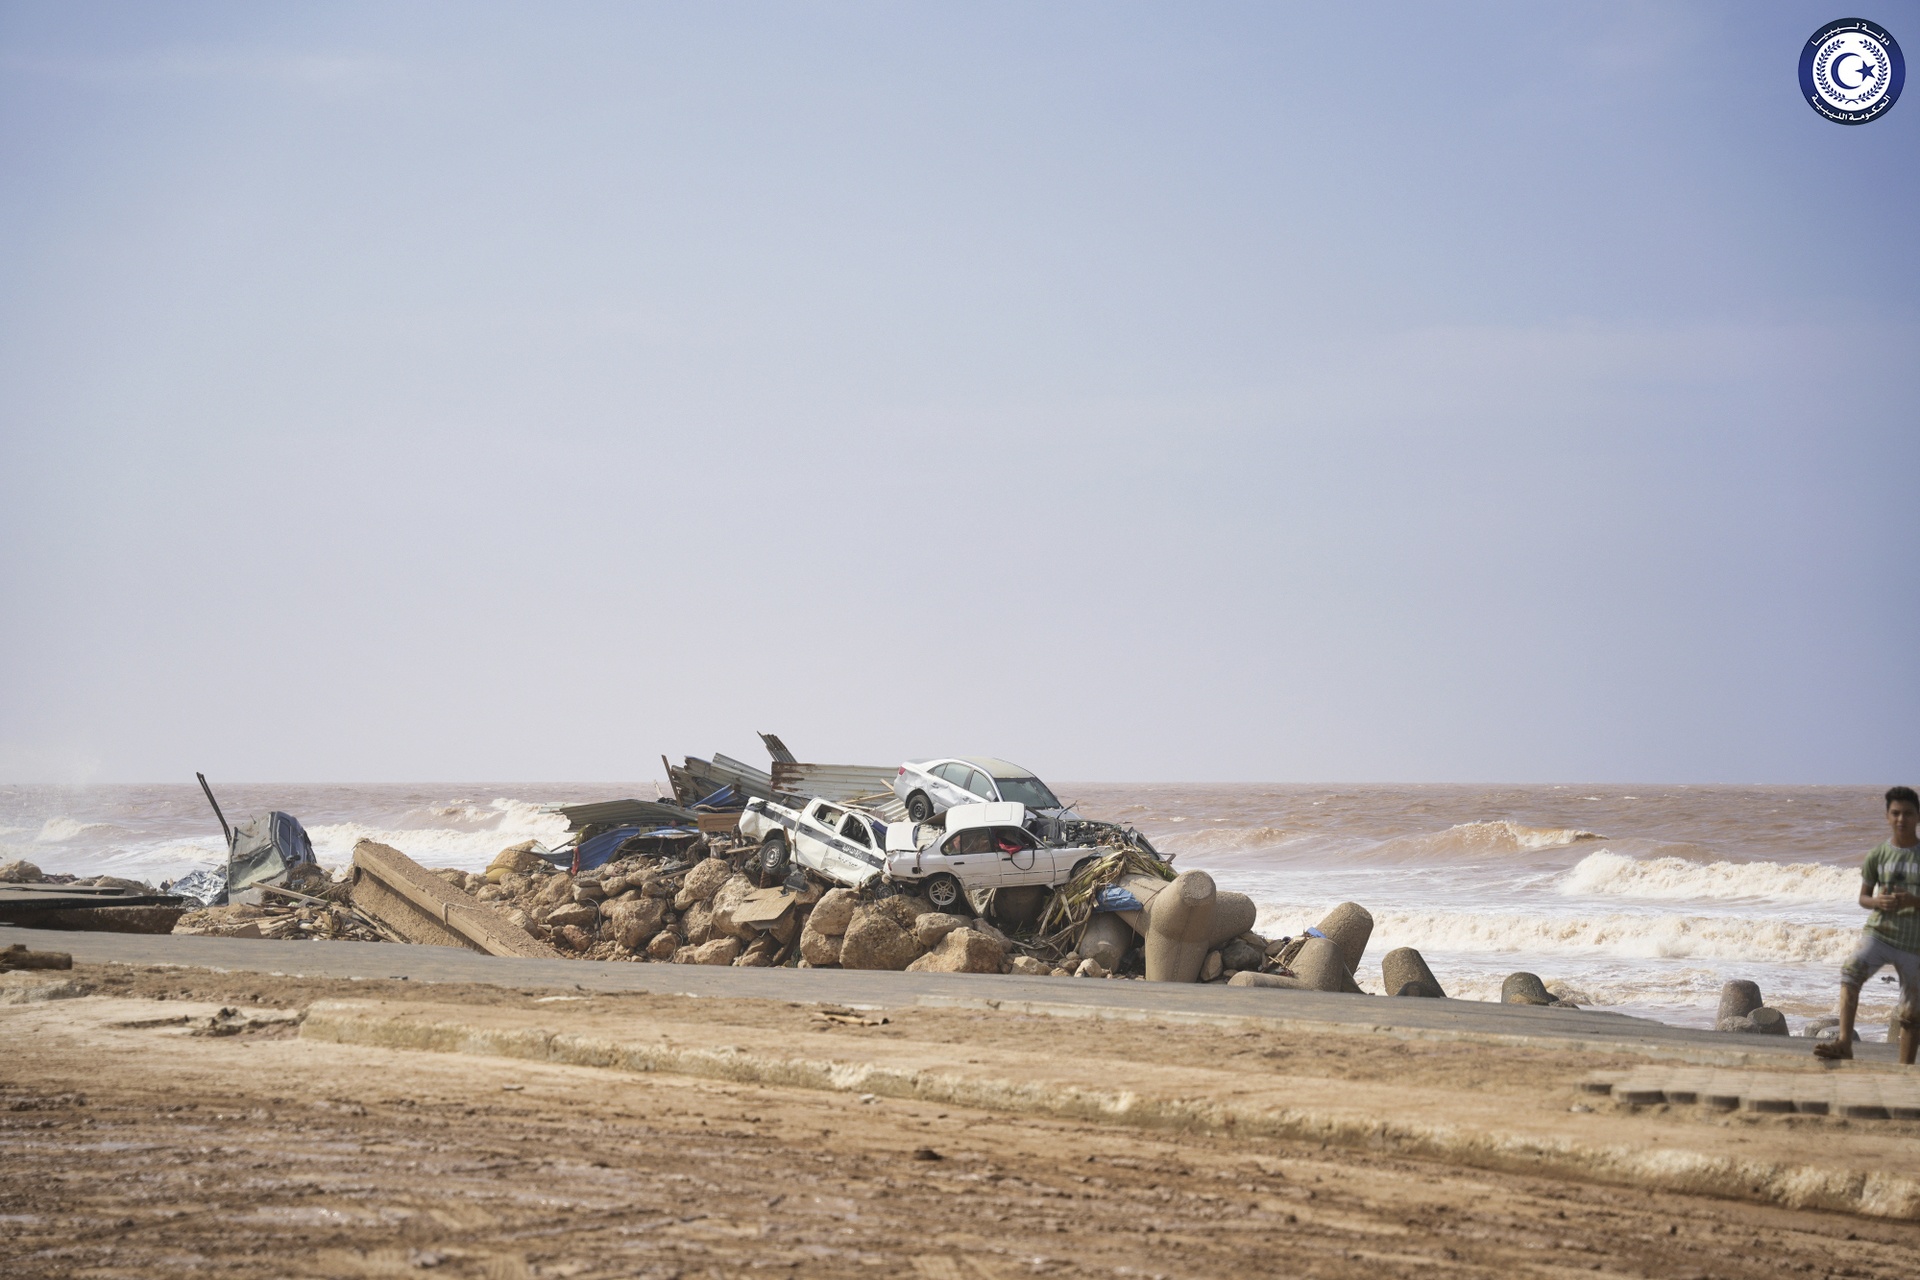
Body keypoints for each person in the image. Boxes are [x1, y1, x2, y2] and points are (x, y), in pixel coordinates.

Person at [1814, 786, 1920, 1063]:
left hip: (1914, 943)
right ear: (1887, 816)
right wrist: (1879, 903)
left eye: (1908, 814)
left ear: (1918, 817)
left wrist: (1913, 900)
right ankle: (1844, 1043)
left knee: (1911, 1011)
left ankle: (1905, 1068)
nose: (1901, 819)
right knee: (1851, 972)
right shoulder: (1877, 855)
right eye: (1896, 813)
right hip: (1880, 934)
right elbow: (1864, 897)